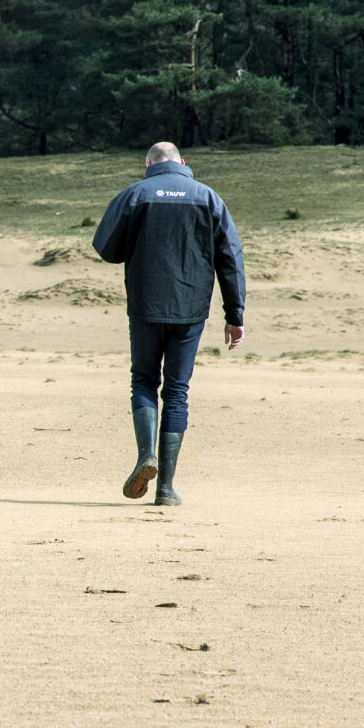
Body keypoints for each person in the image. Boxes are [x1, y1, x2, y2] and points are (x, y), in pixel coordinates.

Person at [90, 142, 247, 504]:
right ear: (183, 162)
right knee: (177, 390)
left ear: (148, 163)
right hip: (190, 311)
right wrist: (234, 314)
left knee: (144, 380)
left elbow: (106, 249)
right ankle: (165, 489)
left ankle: (146, 455)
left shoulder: (134, 195)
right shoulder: (209, 198)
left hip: (145, 305)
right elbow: (230, 258)